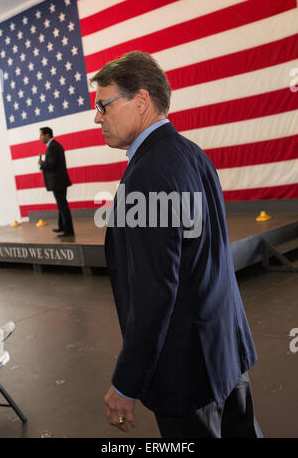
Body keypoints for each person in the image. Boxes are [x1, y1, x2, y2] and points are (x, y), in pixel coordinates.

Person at [90, 51, 263, 438]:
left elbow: (154, 294)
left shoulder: (147, 175)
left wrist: (125, 383)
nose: (97, 117)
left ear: (141, 101)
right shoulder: (190, 153)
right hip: (226, 351)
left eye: (103, 104)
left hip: (186, 371)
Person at [38, 127, 74, 238]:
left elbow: (52, 164)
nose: (40, 138)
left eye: (41, 135)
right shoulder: (54, 145)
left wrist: (42, 163)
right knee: (61, 205)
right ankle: (62, 226)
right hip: (59, 181)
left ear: (47, 135)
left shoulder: (53, 147)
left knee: (62, 206)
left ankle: (68, 230)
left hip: (58, 181)